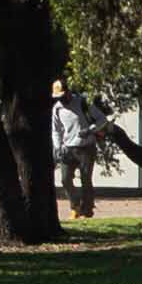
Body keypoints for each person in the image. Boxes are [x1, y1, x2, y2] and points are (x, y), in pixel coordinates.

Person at [51, 80, 99, 220]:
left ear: (68, 93)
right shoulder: (57, 109)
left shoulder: (83, 103)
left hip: (86, 147)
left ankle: (87, 210)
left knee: (86, 179)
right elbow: (56, 130)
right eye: (57, 97)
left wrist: (89, 130)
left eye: (62, 96)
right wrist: (58, 147)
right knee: (65, 179)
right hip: (68, 149)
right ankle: (75, 206)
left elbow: (101, 120)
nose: (61, 99)